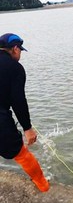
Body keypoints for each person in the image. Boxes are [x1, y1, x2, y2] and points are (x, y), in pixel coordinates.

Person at [0, 33, 49, 192]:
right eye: (20, 50)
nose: (20, 54)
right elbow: (18, 100)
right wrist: (27, 128)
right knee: (20, 152)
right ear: (14, 49)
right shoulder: (15, 68)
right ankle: (43, 185)